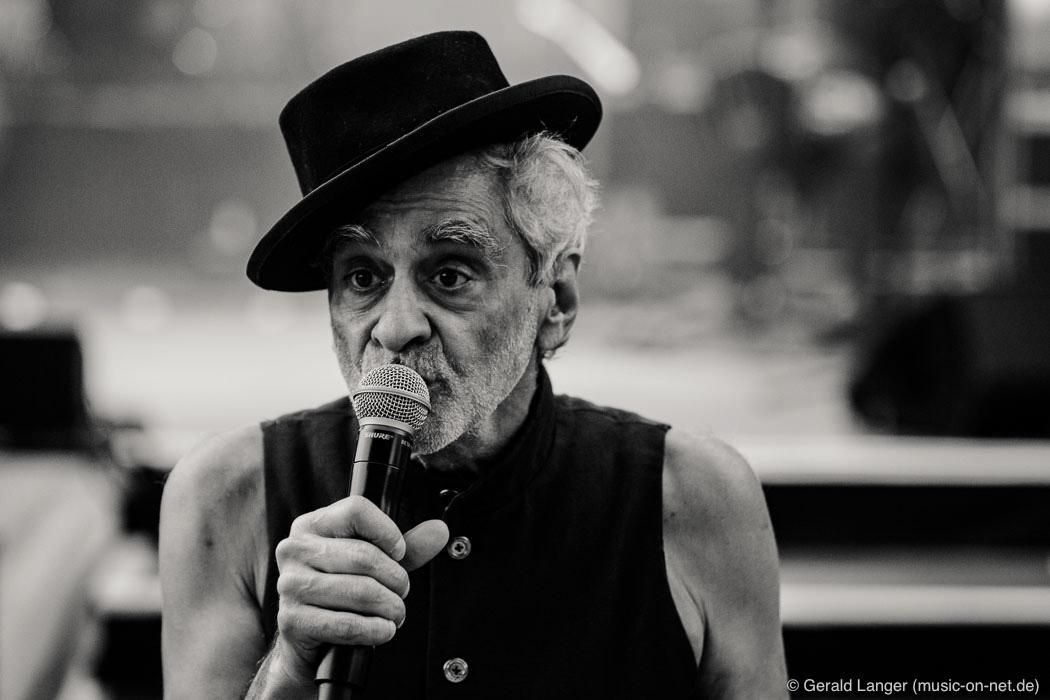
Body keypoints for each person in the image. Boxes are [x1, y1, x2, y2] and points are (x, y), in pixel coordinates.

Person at [159, 30, 788, 699]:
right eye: (363, 277)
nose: (395, 327)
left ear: (557, 300)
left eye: (450, 274)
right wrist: (289, 667)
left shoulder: (690, 500)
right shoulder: (231, 495)